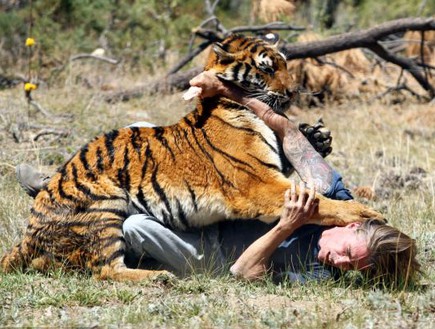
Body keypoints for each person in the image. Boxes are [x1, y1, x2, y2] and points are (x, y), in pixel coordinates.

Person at [16, 72, 420, 287]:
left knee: (136, 226)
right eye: (350, 252)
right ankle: (64, 186)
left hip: (211, 253)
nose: (340, 262)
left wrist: (287, 225)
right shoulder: (340, 198)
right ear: (354, 225)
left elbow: (244, 274)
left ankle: (85, 215)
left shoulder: (320, 275)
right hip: (217, 202)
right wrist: (230, 91)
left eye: (353, 268)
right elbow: (291, 136)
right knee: (140, 128)